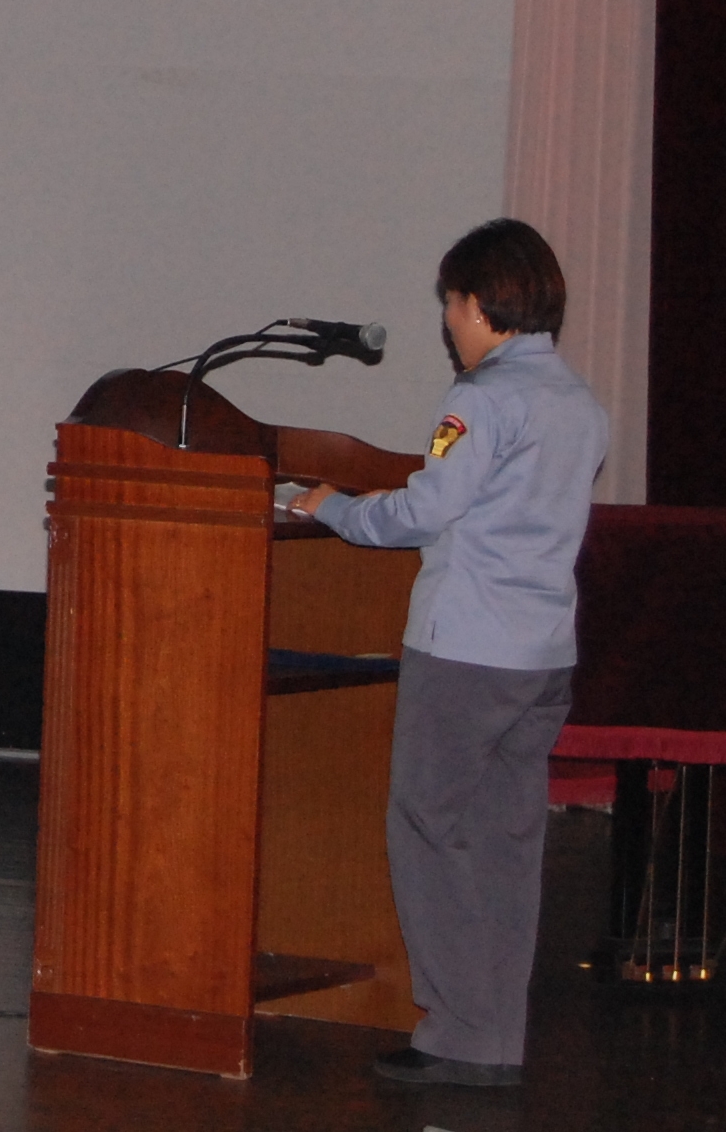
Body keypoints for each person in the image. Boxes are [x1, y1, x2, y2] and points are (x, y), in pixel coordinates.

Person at [286, 216, 607, 1089]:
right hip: (543, 654)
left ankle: (461, 1031)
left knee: (428, 827)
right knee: (507, 843)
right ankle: (496, 1036)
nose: (448, 323)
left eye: (452, 305)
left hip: (467, 648)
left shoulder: (481, 401)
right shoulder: (580, 403)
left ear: (481, 304)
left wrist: (332, 507)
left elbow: (423, 511)